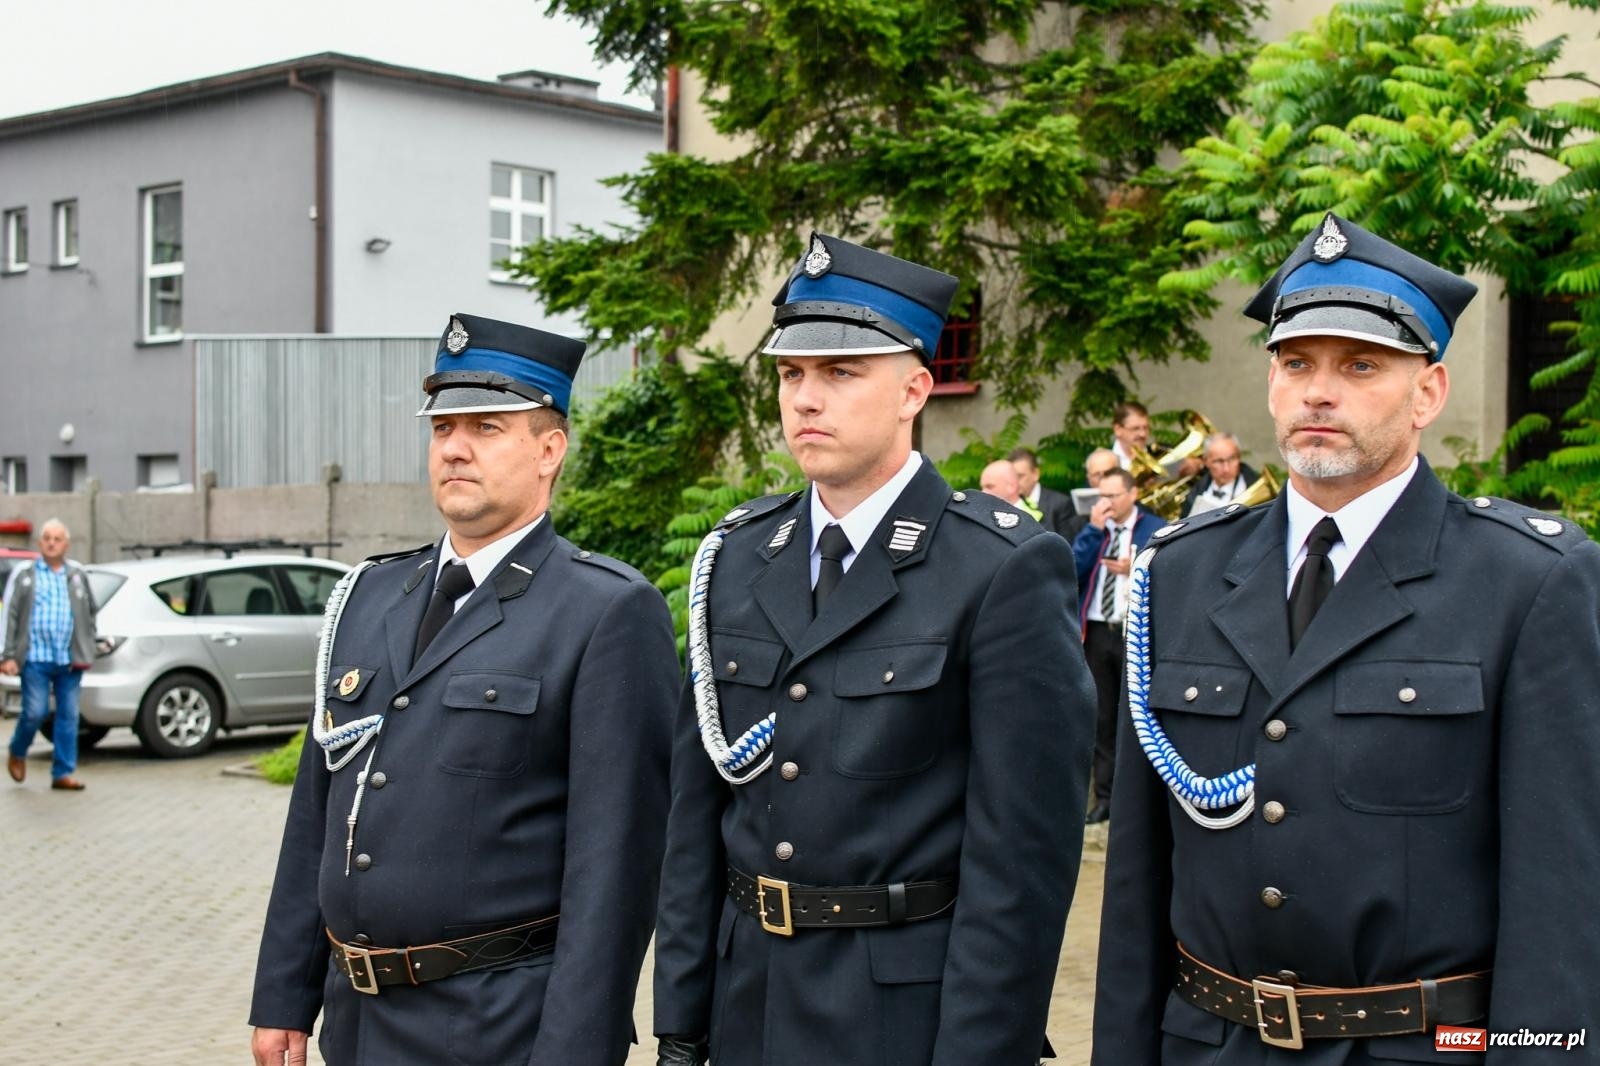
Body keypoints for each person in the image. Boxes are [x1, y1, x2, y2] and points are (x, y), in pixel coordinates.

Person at [1092, 213, 1600, 1063]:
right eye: (1297, 364)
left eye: (1360, 365)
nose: (1318, 392)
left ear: (1428, 393)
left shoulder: (1527, 582)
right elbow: (1137, 886)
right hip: (1206, 1042)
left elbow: (1562, 900)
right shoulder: (1180, 574)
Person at [652, 232, 1095, 1066]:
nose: (805, 399)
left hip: (903, 1014)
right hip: (750, 1002)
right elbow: (695, 822)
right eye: (791, 375)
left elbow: (1022, 863)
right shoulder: (740, 557)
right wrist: (682, 1023)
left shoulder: (998, 567)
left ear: (914, 389)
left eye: (841, 372)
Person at [249, 313, 680, 1066]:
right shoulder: (370, 596)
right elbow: (316, 810)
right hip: (356, 1025)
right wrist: (285, 995)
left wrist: (576, 1050)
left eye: (486, 426)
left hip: (497, 1025)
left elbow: (615, 868)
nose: (454, 447)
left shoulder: (605, 611)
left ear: (550, 450)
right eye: (443, 426)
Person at [1071, 469, 1162, 825]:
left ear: (1133, 493)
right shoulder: (1097, 528)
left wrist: (1134, 568)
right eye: (1102, 496)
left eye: (1114, 495)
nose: (1106, 503)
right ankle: (1105, 797)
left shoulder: (1152, 526)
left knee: (1137, 713)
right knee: (1103, 715)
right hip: (1096, 631)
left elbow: (1168, 569)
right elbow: (1073, 568)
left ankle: (1136, 796)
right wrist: (1093, 530)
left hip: (1132, 630)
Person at [3, 519, 98, 790]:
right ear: (40, 542)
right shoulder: (25, 574)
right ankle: (18, 750)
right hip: (35, 657)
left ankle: (62, 773)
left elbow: (91, 611)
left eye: (57, 538)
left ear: (66, 544)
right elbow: (9, 615)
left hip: (69, 660)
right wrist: (7, 655)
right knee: (35, 712)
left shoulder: (77, 574)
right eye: (47, 538)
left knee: (69, 717)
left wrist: (88, 645)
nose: (52, 543)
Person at [1181, 433, 1260, 517]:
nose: (1226, 469)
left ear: (1239, 457)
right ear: (1206, 461)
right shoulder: (1195, 491)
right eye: (1219, 461)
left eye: (1232, 459)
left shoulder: (1254, 487)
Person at [1009, 446, 1074, 535]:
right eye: (1012, 477)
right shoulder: (1009, 503)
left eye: (1020, 476)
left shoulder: (1060, 503)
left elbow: (1067, 544)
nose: (1015, 482)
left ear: (1035, 474)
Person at [1109, 401, 1152, 468]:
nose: (1142, 434)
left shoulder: (1160, 457)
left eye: (1146, 428)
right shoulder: (1100, 460)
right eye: (1135, 428)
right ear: (1117, 429)